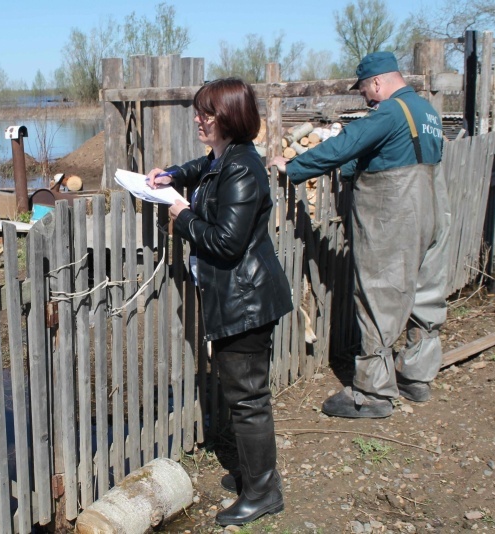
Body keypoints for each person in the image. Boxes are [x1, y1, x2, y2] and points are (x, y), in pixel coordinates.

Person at [269, 51, 450, 419]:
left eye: (366, 89)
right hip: (431, 205)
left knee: (379, 292)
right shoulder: (427, 112)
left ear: (378, 82)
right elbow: (379, 151)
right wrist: (352, 169)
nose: (366, 98)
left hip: (395, 211)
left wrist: (294, 166)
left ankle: (373, 393)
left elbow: (346, 144)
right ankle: (416, 376)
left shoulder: (390, 111)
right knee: (425, 288)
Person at [147, 78, 293, 526]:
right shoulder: (224, 157)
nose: (198, 119)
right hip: (238, 297)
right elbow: (201, 167)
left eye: (207, 113)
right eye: (198, 111)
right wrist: (172, 175)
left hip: (246, 303)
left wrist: (184, 216)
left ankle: (264, 492)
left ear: (228, 117)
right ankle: (255, 476)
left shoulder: (244, 168)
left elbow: (227, 243)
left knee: (248, 400)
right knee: (243, 396)